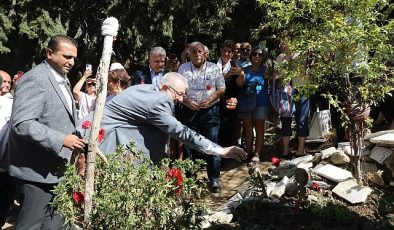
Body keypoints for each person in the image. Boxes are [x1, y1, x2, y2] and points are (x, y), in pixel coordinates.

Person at [77, 72, 246, 165]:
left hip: (92, 138)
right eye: (179, 94)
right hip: (100, 144)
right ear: (166, 87)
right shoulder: (160, 100)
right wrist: (220, 150)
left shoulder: (143, 89)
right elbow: (180, 131)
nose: (181, 99)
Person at [8, 35, 86, 229]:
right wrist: (61, 139)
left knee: (53, 226)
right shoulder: (35, 78)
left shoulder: (62, 79)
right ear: (49, 53)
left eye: (74, 58)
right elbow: (22, 123)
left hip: (57, 171)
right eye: (67, 56)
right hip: (36, 174)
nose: (72, 62)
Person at [177, 41, 226, 193]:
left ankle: (214, 178)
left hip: (210, 111)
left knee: (211, 144)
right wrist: (187, 101)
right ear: (188, 54)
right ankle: (191, 178)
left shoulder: (214, 68)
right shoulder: (182, 68)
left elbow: (222, 88)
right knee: (188, 144)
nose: (197, 54)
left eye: (200, 51)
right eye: (193, 52)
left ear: (205, 54)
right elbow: (178, 91)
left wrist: (210, 99)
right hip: (189, 111)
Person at [236, 46, 270, 163]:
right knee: (248, 127)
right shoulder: (244, 69)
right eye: (255, 54)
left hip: (261, 102)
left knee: (259, 128)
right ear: (251, 56)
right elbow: (239, 84)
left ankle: (257, 153)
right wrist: (240, 75)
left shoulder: (266, 70)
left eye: (260, 55)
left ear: (263, 57)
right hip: (246, 102)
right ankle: (248, 152)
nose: (257, 56)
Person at [216, 40, 243, 147]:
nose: (226, 54)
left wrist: (241, 74)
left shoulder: (235, 66)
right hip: (214, 103)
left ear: (232, 53)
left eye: (229, 51)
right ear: (221, 50)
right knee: (214, 132)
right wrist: (224, 77)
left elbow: (240, 85)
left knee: (228, 132)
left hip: (229, 105)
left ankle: (226, 160)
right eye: (224, 50)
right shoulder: (211, 64)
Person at [0, 70, 15, 229]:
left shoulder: (12, 104)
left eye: (8, 82)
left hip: (7, 166)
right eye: (2, 81)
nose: (5, 84)